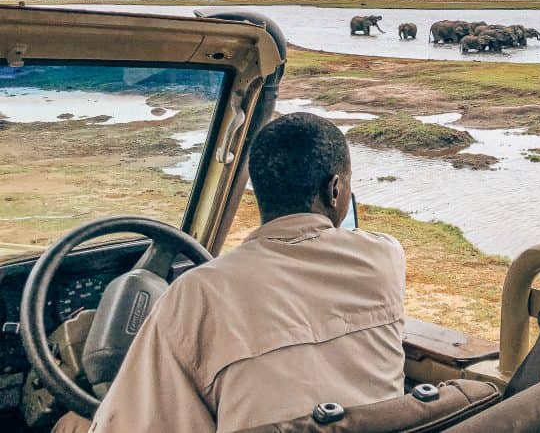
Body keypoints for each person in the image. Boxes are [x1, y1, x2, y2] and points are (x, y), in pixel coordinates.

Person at [56, 112, 406, 433]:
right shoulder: (385, 257)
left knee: (70, 425)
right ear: (335, 190)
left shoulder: (198, 292)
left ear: (260, 191)